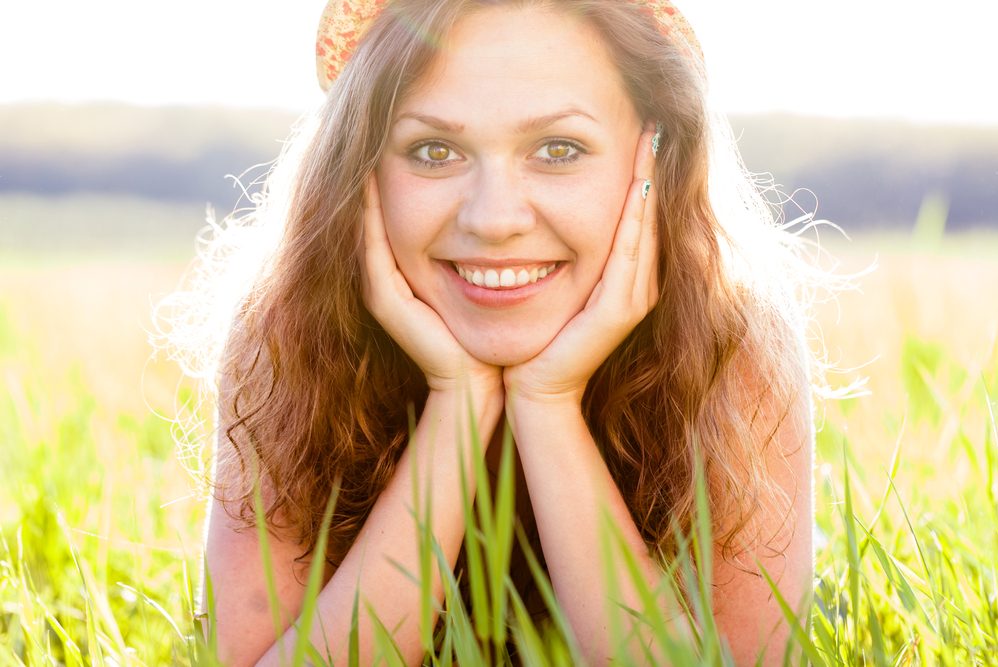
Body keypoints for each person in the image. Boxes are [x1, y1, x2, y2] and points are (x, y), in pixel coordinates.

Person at [167, 0, 820, 664]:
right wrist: (457, 405)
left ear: (654, 160)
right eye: (434, 150)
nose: (494, 218)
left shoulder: (731, 340)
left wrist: (548, 404)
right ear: (360, 172)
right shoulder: (289, 330)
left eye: (558, 149)